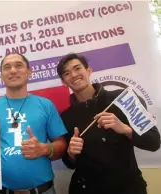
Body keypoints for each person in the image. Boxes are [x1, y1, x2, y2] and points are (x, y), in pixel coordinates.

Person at [57, 53, 161, 194]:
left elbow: (154, 142)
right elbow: (69, 163)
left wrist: (125, 129)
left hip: (128, 188)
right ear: (63, 81)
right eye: (67, 73)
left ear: (89, 70)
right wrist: (71, 154)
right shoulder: (65, 117)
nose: (74, 75)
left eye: (77, 68)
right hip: (87, 189)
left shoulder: (123, 98)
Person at [0, 53, 68, 194]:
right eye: (7, 67)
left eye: (19, 65)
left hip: (42, 190)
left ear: (29, 72)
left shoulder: (46, 105)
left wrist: (44, 149)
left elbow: (62, 145)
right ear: (1, 76)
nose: (13, 70)